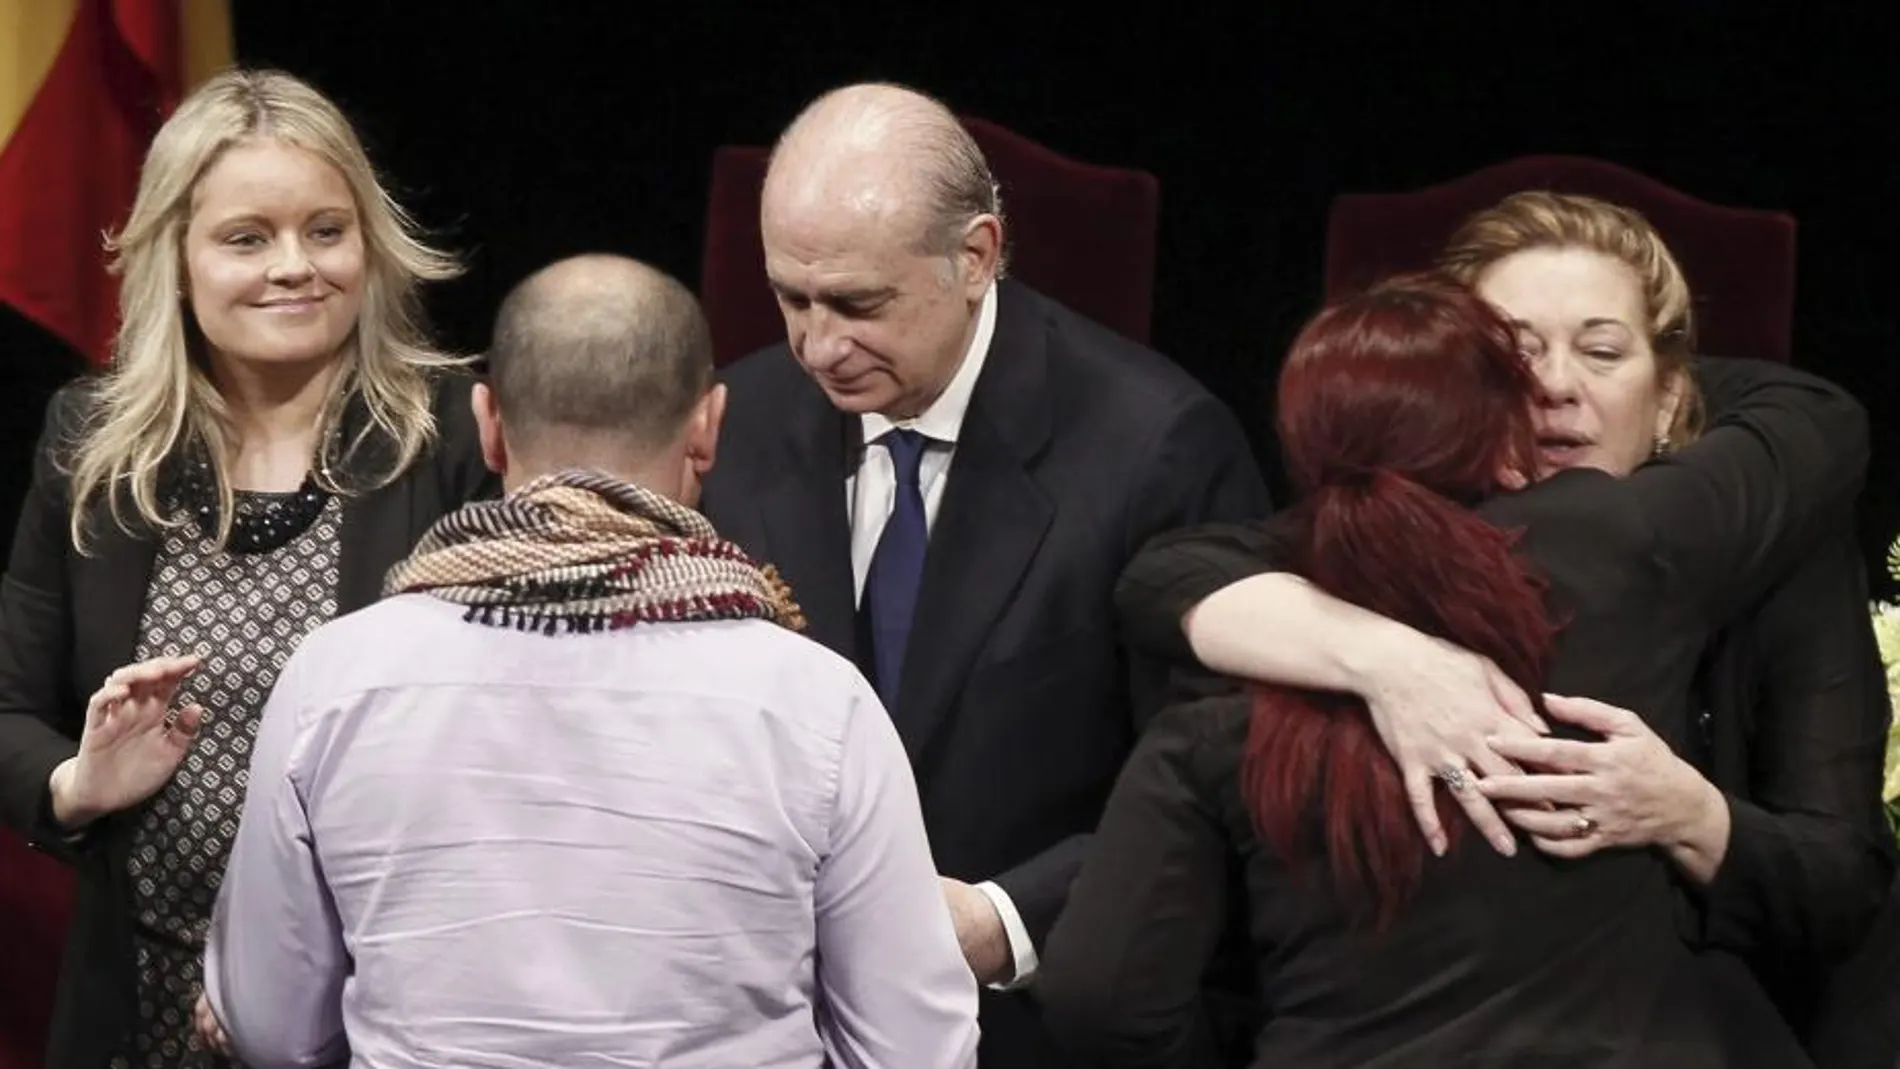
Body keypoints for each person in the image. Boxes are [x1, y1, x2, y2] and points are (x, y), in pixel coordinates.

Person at [1109, 192, 1898, 1066]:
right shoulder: (1369, 554)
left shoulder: (1772, 546)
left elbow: (1843, 887)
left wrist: (1692, 816)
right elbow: (1167, 575)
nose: (1558, 384)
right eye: (1517, 353)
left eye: (1602, 351)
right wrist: (1388, 658)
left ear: (1674, 398)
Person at [200, 254, 979, 1069]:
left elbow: (271, 1026)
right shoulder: (820, 704)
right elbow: (918, 1048)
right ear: (709, 426)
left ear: (488, 424)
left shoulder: (337, 678)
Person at [697, 83, 1272, 1068]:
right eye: (791, 298)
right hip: (772, 1018)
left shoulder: (1155, 449)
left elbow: (1225, 772)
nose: (816, 345)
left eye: (857, 303)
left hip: (1036, 1019)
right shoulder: (732, 423)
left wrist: (1001, 918)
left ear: (975, 257)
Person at [0, 69, 492, 1068]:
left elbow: (506, 743)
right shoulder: (89, 442)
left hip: (375, 1010)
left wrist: (292, 980)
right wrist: (76, 782)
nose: (294, 267)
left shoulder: (454, 437)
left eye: (325, 229)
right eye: (246, 238)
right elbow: (7, 707)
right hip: (135, 1005)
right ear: (174, 260)